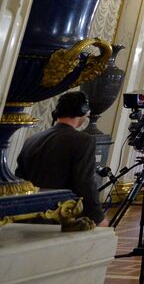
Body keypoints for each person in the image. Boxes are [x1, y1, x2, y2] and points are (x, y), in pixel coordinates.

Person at [16, 90, 105, 227]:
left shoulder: (32, 139)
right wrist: (96, 216)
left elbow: (19, 179)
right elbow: (84, 183)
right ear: (83, 110)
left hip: (28, 215)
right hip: (60, 217)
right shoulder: (84, 141)